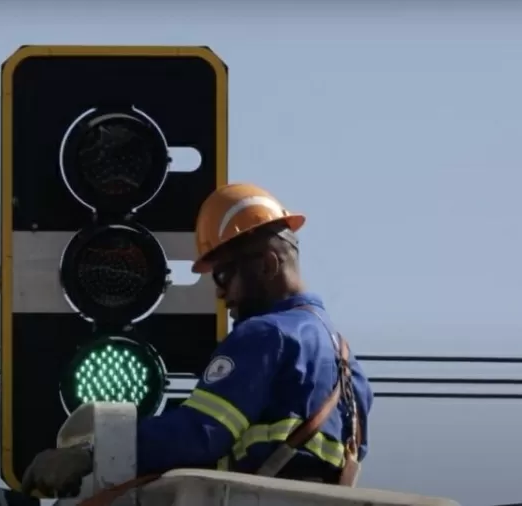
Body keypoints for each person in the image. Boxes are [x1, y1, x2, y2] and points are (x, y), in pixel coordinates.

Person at [21, 183, 374, 498]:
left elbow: (201, 433)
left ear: (268, 265)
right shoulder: (349, 367)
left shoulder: (265, 335)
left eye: (223, 275)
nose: (221, 293)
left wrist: (90, 455)